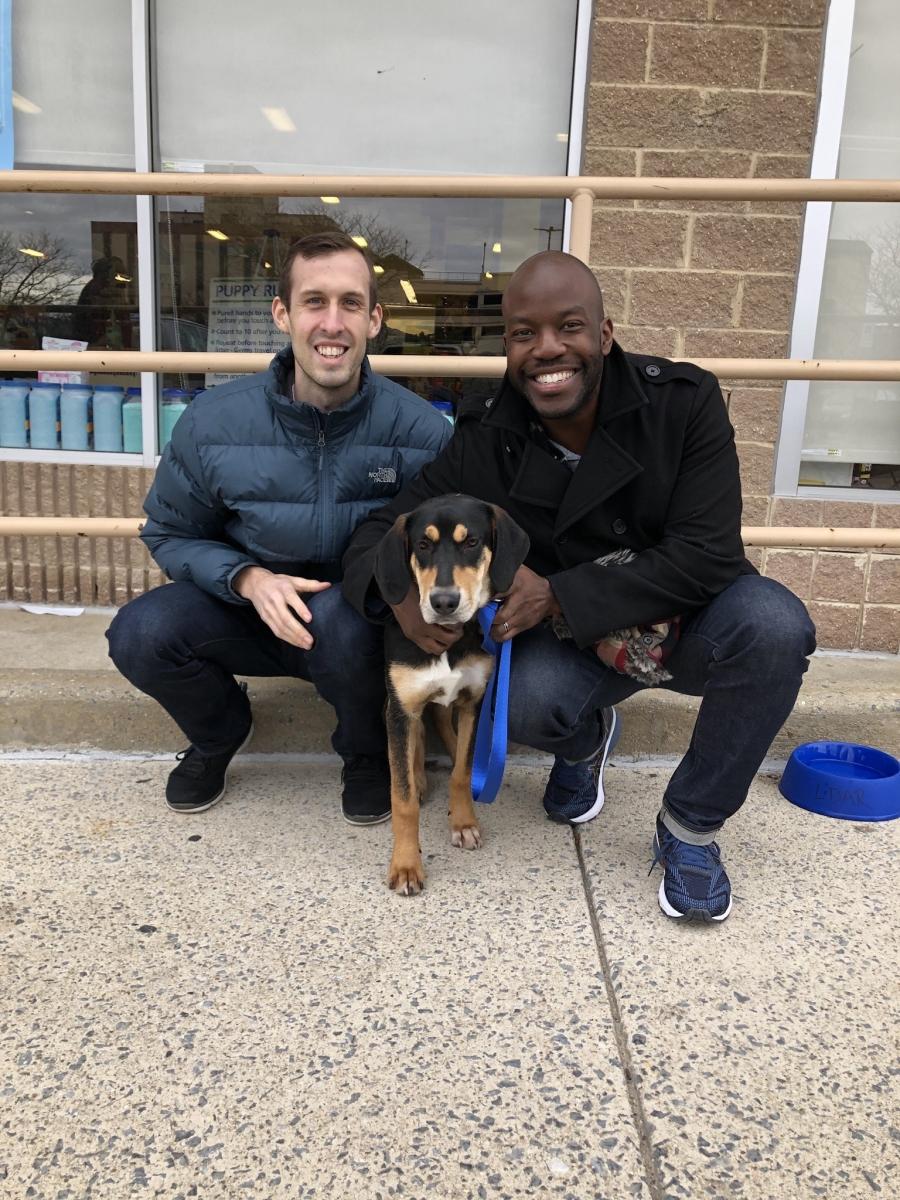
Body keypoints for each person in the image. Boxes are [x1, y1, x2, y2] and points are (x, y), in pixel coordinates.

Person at [342, 251, 816, 923]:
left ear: (604, 333)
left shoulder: (683, 403)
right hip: (584, 646)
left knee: (775, 627)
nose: (547, 349)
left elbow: (708, 556)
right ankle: (586, 739)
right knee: (524, 703)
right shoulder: (487, 436)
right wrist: (400, 599)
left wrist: (558, 593)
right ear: (506, 344)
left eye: (569, 326)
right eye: (523, 333)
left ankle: (690, 829)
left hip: (689, 620)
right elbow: (375, 535)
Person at [107, 232, 452, 824]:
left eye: (349, 304)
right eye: (314, 301)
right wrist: (246, 579)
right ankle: (220, 733)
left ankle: (365, 752)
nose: (331, 323)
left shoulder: (420, 432)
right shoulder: (213, 421)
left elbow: (443, 551)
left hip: (353, 621)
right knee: (140, 633)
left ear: (374, 320)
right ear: (283, 314)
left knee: (345, 626)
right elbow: (168, 532)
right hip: (244, 607)